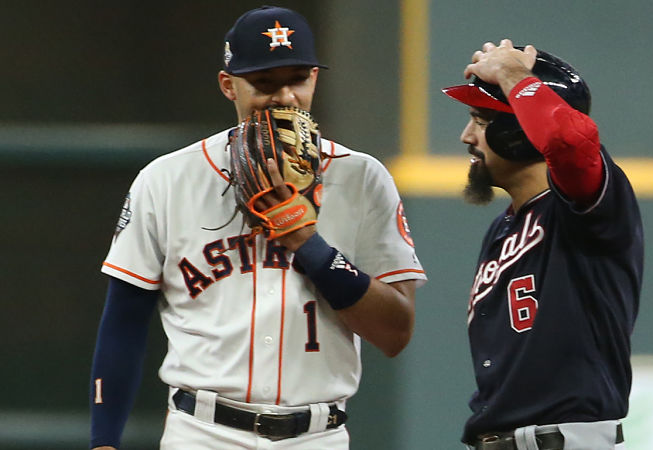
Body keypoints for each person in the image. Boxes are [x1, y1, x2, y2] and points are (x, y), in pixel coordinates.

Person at [89, 6, 426, 450]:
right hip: (204, 433)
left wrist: (307, 242)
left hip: (317, 436)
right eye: (265, 83)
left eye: (298, 79)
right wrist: (104, 441)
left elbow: (394, 332)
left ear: (314, 80)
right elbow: (124, 321)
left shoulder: (363, 178)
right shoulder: (168, 179)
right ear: (229, 85)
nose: (285, 97)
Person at [442, 40, 643, 450]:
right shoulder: (504, 228)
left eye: (480, 121)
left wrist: (515, 77)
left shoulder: (585, 207)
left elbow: (570, 145)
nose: (467, 136)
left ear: (517, 132)